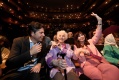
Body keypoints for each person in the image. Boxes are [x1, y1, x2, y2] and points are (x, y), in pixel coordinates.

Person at [74, 12, 119, 80]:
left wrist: (99, 20)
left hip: (98, 62)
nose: (81, 37)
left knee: (113, 70)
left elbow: (98, 33)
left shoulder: (90, 41)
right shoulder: (76, 46)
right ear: (77, 38)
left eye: (82, 35)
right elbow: (74, 58)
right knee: (98, 76)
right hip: (87, 65)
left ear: (84, 35)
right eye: (79, 36)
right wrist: (81, 50)